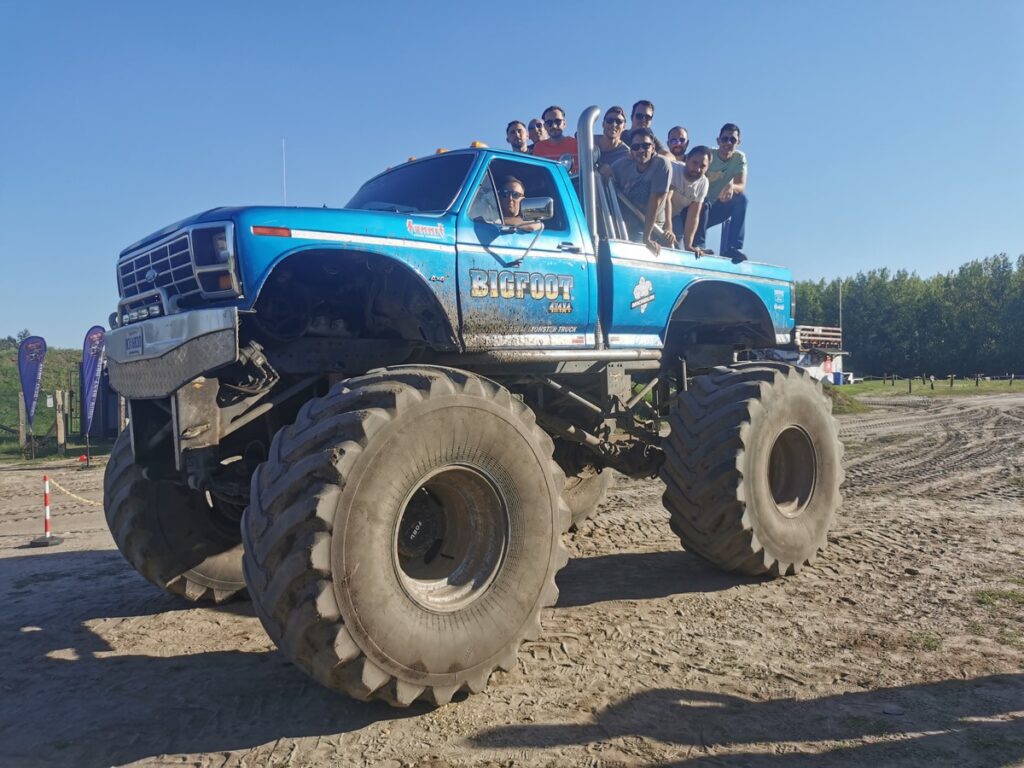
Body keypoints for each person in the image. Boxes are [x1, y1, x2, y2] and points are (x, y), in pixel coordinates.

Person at [610, 127, 674, 254]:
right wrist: (605, 169)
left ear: (653, 148)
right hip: (626, 219)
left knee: (637, 251)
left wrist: (647, 237)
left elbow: (655, 201)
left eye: (645, 146)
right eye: (635, 147)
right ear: (631, 151)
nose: (640, 150)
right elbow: (603, 173)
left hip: (652, 224)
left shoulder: (661, 164)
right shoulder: (621, 165)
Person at [696, 122, 748, 262]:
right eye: (724, 139)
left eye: (732, 140)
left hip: (717, 207)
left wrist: (732, 187)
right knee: (704, 202)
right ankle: (699, 245)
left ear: (738, 142)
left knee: (741, 200)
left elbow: (741, 185)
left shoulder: (739, 158)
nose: (728, 143)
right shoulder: (708, 155)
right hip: (696, 208)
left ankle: (732, 248)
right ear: (718, 141)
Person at [667, 145, 711, 255]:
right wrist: (668, 227)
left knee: (678, 249)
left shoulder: (703, 183)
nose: (697, 169)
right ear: (687, 160)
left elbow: (693, 216)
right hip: (656, 212)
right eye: (694, 163)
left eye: (703, 166)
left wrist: (689, 245)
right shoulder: (672, 169)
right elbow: (665, 200)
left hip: (674, 216)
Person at [531, 106, 579, 171]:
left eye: (558, 121)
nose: (554, 126)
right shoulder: (539, 148)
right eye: (549, 123)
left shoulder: (576, 144)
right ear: (545, 126)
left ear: (564, 123)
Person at [595, 106, 629, 172]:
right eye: (609, 120)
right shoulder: (589, 141)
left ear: (624, 127)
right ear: (603, 124)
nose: (614, 124)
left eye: (619, 121)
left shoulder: (626, 155)